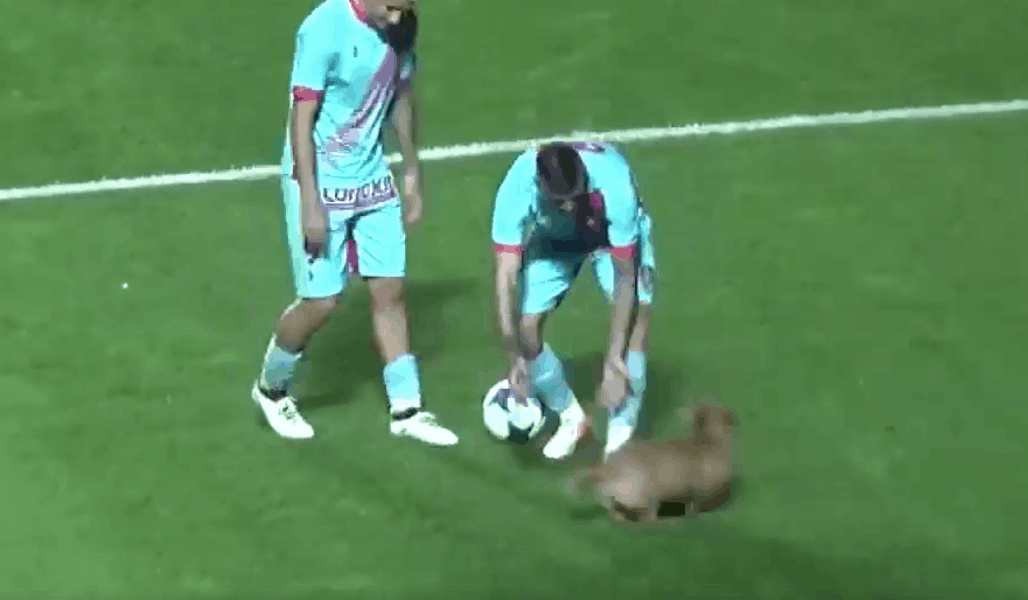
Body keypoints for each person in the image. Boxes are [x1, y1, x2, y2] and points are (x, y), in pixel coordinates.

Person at [251, 0, 458, 447]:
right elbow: (301, 120)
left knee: (389, 289)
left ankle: (407, 409)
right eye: (392, 7)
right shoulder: (323, 29)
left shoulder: (401, 27)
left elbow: (401, 95)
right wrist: (310, 202)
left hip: (371, 178)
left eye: (406, 8)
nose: (398, 18)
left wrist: (411, 170)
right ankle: (271, 390)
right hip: (320, 181)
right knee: (321, 302)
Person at [491, 141, 656, 460]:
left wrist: (614, 358)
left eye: (574, 197)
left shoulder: (614, 185)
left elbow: (626, 280)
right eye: (558, 200)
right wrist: (514, 357)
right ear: (540, 184)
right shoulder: (517, 186)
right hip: (555, 240)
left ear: (584, 176)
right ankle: (571, 418)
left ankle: (619, 440)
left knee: (638, 318)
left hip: (605, 235)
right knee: (528, 329)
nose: (568, 206)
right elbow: (505, 280)